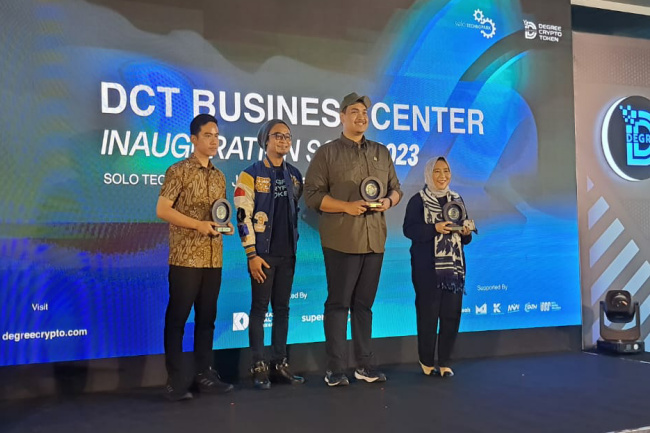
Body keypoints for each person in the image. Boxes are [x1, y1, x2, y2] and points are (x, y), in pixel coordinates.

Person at [304, 92, 402, 386]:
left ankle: (365, 365)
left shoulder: (381, 152)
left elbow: (396, 189)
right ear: (342, 117)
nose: (361, 117)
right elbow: (312, 196)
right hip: (342, 240)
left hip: (374, 240)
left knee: (364, 305)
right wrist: (345, 206)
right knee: (338, 304)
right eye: (355, 112)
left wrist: (388, 202)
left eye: (365, 113)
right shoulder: (327, 153)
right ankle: (335, 369)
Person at [156, 113, 235, 401]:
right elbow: (162, 210)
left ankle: (204, 375)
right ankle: (175, 379)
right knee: (178, 318)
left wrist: (224, 227)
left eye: (217, 136)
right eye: (208, 136)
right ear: (193, 139)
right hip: (185, 257)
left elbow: (218, 213)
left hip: (213, 257)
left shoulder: (219, 176)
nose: (214, 141)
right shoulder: (178, 171)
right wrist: (197, 225)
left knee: (207, 318)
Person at [234, 119, 305, 390]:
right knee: (259, 309)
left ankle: (279, 364)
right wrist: (251, 254)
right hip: (261, 256)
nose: (284, 140)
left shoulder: (295, 175)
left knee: (283, 309)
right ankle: (258, 366)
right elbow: (243, 216)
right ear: (265, 140)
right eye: (278, 136)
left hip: (287, 255)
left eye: (287, 136)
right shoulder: (249, 174)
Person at [402, 156, 473, 378]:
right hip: (427, 268)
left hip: (453, 270)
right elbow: (409, 230)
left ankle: (444, 362)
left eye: (446, 171)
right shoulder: (418, 200)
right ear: (428, 174)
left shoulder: (457, 199)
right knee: (428, 314)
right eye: (437, 171)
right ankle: (426, 360)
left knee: (452, 315)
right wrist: (435, 228)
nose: (443, 176)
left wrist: (466, 232)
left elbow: (465, 238)